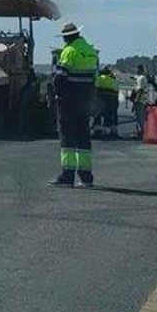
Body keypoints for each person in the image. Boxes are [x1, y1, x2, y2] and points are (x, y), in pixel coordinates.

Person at [50, 22, 99, 188]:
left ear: (67, 37)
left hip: (69, 101)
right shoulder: (91, 51)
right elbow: (94, 77)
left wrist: (57, 94)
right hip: (85, 101)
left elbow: (59, 77)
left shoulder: (69, 51)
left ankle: (67, 175)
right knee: (83, 138)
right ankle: (86, 177)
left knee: (67, 138)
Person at [94, 66, 120, 137]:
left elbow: (95, 89)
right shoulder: (113, 80)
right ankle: (110, 131)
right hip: (112, 100)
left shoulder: (99, 79)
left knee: (97, 115)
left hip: (101, 99)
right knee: (109, 116)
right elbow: (116, 91)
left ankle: (97, 131)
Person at [130, 65, 150, 139]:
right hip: (143, 99)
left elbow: (140, 90)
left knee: (140, 116)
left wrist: (136, 100)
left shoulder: (141, 78)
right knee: (140, 116)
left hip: (140, 100)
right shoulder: (142, 78)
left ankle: (143, 132)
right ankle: (140, 131)